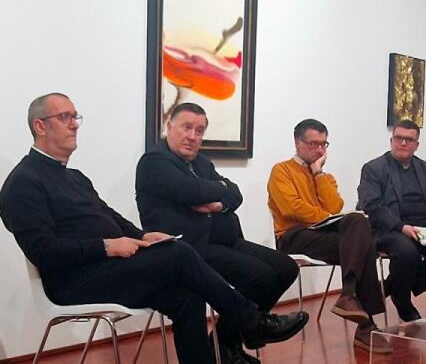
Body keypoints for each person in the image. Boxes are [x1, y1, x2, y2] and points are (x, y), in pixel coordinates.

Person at [0, 93, 308, 364]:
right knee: (178, 253)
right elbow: (43, 251)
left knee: (186, 298)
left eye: (75, 117)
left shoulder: (75, 177)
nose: (74, 125)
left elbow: (109, 216)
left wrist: (141, 236)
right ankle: (252, 322)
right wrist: (107, 246)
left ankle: (234, 336)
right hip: (73, 279)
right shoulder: (23, 183)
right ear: (40, 126)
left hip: (104, 266)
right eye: (65, 117)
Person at [136, 103, 299, 364]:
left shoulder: (201, 163)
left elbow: (236, 193)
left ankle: (225, 342)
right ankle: (242, 335)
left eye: (199, 131)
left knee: (286, 267)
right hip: (188, 248)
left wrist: (218, 200)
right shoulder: (154, 162)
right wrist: (218, 189)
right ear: (169, 127)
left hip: (224, 240)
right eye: (187, 127)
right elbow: (192, 191)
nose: (192, 136)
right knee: (260, 276)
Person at [267, 119, 390, 354]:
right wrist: (326, 217)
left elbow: (335, 206)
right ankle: (365, 324)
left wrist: (318, 174)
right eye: (313, 144)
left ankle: (350, 295)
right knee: (363, 245)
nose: (319, 150)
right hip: (293, 236)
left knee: (358, 222)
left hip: (322, 235)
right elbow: (291, 209)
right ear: (297, 142)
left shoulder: (325, 176)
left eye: (323, 144)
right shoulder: (281, 170)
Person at [357, 119, 426, 321]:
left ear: (416, 145)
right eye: (399, 138)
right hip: (390, 229)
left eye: (409, 140)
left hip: (425, 228)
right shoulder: (373, 168)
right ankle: (403, 302)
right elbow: (371, 205)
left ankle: (393, 287)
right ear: (391, 141)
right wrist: (401, 227)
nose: (403, 143)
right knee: (407, 252)